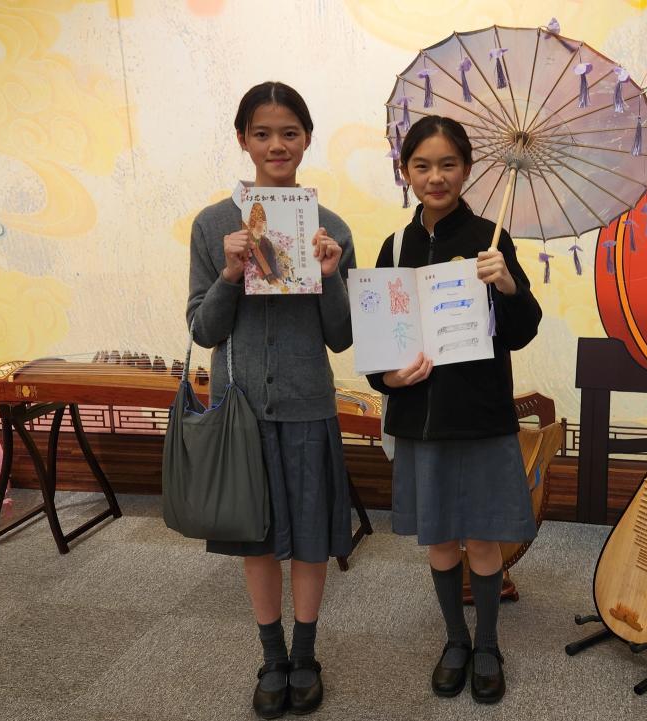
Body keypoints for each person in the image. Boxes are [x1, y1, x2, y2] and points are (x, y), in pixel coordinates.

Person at [186, 81, 354, 719]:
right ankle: (272, 656)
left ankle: (306, 654)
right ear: (243, 140)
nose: (276, 145)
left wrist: (331, 277)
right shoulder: (213, 225)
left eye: (289, 132)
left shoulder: (330, 227)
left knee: (310, 535)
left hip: (309, 400)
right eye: (262, 133)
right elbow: (203, 330)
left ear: (306, 139)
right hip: (243, 409)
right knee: (254, 538)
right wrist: (231, 272)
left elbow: (341, 337)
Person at [366, 115, 542, 705]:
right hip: (421, 420)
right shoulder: (396, 247)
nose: (435, 177)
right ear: (405, 172)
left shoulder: (492, 239)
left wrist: (509, 285)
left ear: (466, 169)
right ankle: (455, 641)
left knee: (484, 541)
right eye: (422, 166)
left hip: (481, 416)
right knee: (440, 541)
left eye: (447, 164)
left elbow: (521, 332)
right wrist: (388, 379)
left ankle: (487, 644)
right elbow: (378, 340)